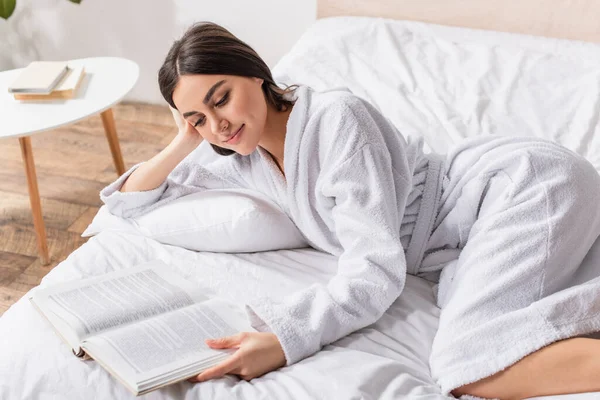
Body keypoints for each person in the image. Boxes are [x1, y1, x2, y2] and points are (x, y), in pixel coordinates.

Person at [100, 21, 600, 399]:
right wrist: (183, 138)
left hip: (520, 187)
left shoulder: (337, 121)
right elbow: (131, 200)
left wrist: (285, 337)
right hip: (488, 220)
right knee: (475, 360)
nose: (218, 126)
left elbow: (376, 270)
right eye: (199, 119)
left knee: (466, 363)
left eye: (222, 98)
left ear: (255, 73)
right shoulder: (242, 157)